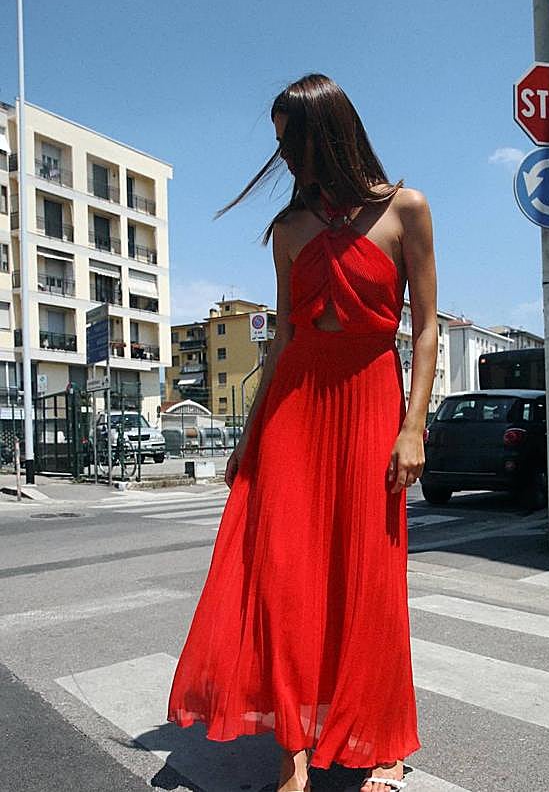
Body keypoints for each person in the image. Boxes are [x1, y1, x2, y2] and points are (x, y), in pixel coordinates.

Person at [168, 74, 438, 792]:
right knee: (284, 577)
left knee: (368, 576)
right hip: (297, 401)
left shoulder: (405, 210)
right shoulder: (288, 232)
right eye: (279, 142)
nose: (284, 156)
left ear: (329, 134)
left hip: (370, 398)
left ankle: (380, 742)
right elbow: (283, 337)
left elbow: (428, 326)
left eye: (293, 140)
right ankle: (293, 758)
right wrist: (249, 436)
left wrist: (414, 425)